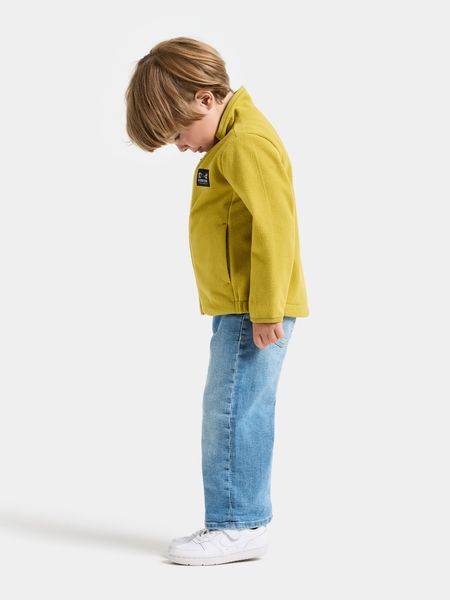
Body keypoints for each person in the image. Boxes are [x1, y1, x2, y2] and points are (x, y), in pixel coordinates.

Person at [125, 36, 310, 566]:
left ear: (205, 99)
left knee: (232, 410)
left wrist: (267, 310)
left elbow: (276, 228)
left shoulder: (245, 143)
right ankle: (242, 519)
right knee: (237, 406)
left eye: (178, 133)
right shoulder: (232, 140)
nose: (181, 147)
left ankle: (236, 525)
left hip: (254, 309)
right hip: (244, 304)